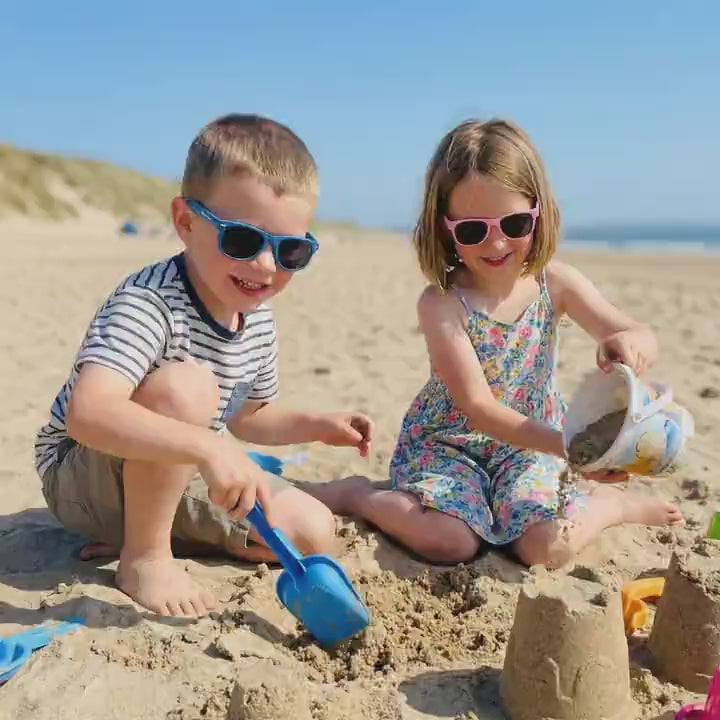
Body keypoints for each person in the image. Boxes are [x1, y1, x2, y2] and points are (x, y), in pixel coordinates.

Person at [34, 113, 373, 617]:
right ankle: (144, 557)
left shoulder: (255, 318)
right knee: (186, 387)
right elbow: (89, 413)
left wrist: (318, 425)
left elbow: (250, 416)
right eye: (241, 240)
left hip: (173, 467)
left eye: (290, 250)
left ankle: (145, 531)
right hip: (84, 474)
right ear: (187, 223)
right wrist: (209, 446)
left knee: (313, 533)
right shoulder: (149, 303)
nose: (264, 266)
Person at [308, 118, 681, 569]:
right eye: (472, 230)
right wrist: (567, 445)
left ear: (537, 212)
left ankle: (613, 506)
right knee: (451, 542)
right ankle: (358, 494)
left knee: (546, 548)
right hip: (449, 444)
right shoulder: (442, 304)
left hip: (530, 447)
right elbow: (479, 408)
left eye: (515, 222)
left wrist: (628, 343)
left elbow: (636, 332)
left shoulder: (556, 283)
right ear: (445, 228)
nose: (497, 242)